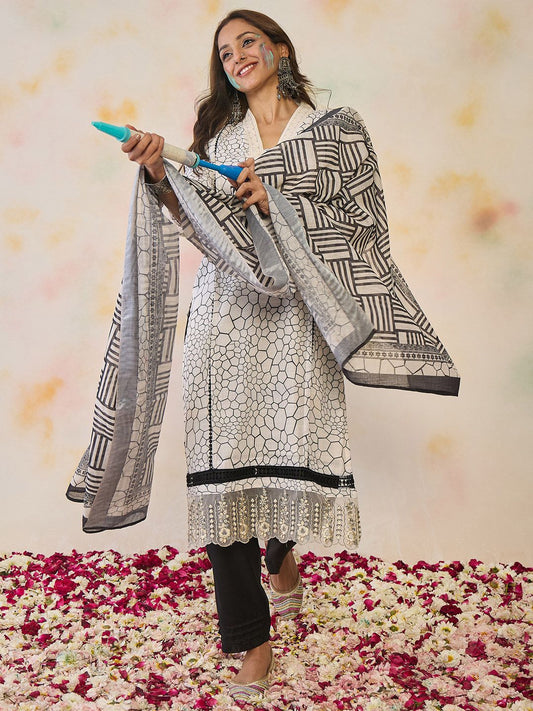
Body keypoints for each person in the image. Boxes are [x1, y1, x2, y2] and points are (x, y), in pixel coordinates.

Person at [68, 9, 459, 701]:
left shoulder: (337, 130)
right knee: (222, 472)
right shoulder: (219, 139)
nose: (236, 56)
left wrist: (279, 204)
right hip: (226, 319)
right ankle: (250, 640)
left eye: (247, 41)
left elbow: (366, 228)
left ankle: (279, 554)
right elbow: (198, 223)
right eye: (224, 52)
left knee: (287, 458)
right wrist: (160, 171)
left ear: (279, 48)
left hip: (303, 322)